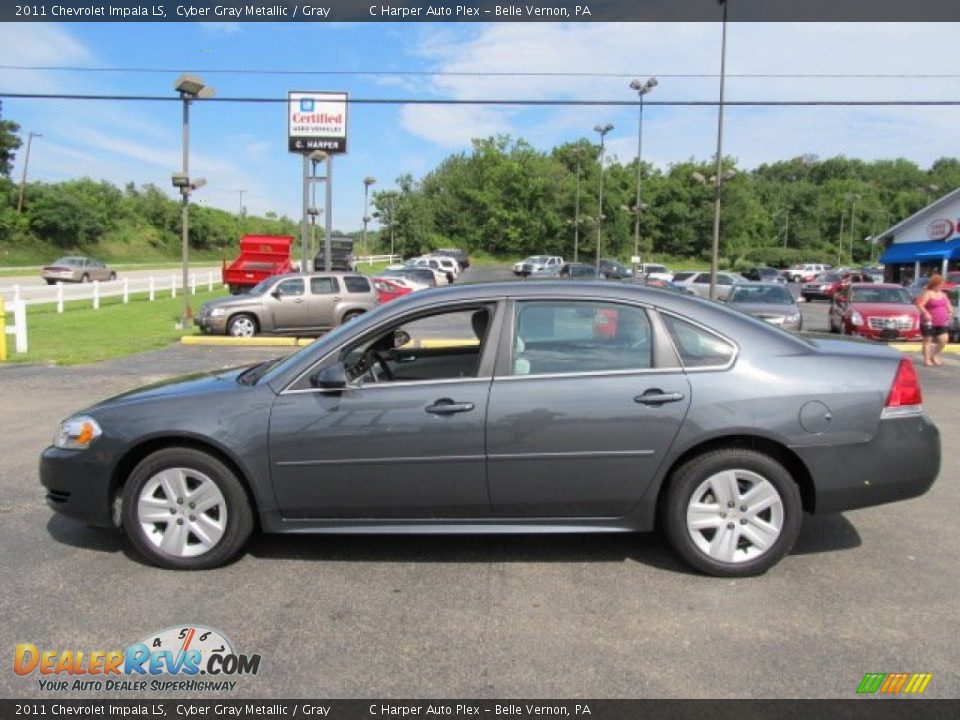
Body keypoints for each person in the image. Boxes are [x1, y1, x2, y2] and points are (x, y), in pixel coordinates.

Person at [915, 274, 953, 366]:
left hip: (941, 322)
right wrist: (926, 313)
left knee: (943, 340)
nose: (941, 286)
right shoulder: (928, 293)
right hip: (928, 322)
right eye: (940, 284)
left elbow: (948, 304)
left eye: (942, 284)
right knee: (928, 340)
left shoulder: (943, 294)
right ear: (934, 284)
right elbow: (919, 305)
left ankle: (934, 355)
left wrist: (950, 312)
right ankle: (926, 359)